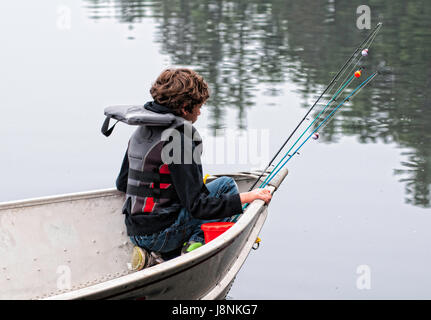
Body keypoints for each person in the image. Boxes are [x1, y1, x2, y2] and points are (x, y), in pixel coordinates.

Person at [114, 68, 271, 270]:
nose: (200, 112)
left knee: (210, 190)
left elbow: (121, 183)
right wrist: (249, 197)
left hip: (134, 230)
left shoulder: (141, 130)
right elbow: (199, 206)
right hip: (161, 235)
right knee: (225, 187)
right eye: (199, 106)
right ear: (186, 107)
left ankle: (155, 255)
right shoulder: (179, 139)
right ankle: (189, 250)